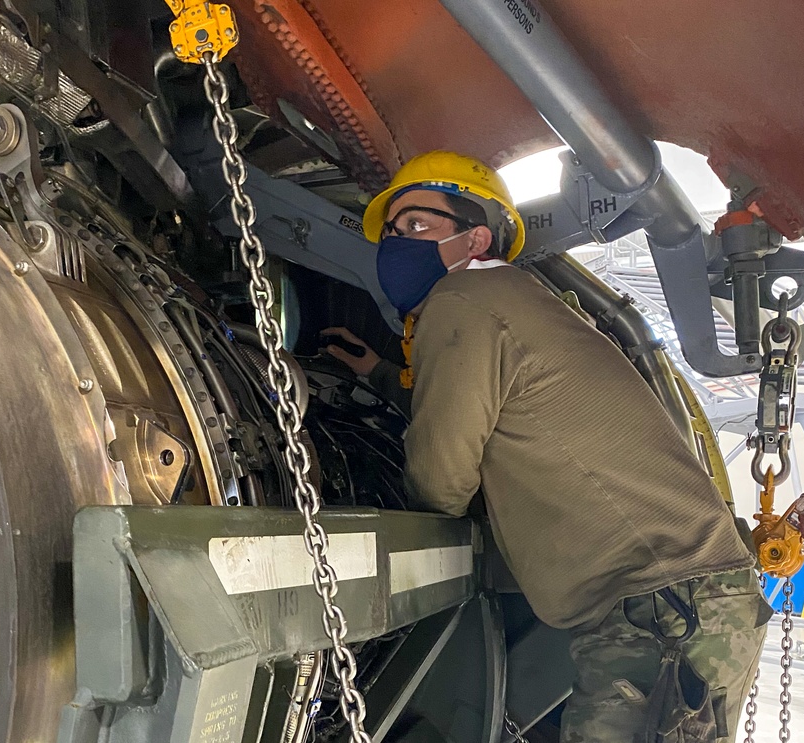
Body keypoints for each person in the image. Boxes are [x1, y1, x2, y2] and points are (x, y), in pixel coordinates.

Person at [323, 151, 773, 742]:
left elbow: (440, 478)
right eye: (393, 231)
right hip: (684, 603)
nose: (397, 243)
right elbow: (509, 415)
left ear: (474, 238)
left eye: (416, 225)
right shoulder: (517, 301)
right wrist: (385, 375)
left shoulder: (461, 301)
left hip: (659, 615)